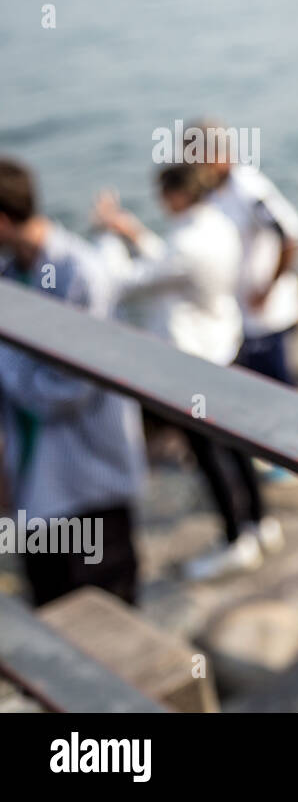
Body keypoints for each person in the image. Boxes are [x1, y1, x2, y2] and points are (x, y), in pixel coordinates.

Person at [93, 163, 283, 581]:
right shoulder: (217, 225)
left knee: (209, 455)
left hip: (191, 365)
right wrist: (133, 232)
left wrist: (108, 235)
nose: (162, 203)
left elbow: (124, 281)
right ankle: (261, 523)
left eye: (164, 194)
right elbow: (170, 263)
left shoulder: (187, 242)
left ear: (178, 195)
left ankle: (236, 540)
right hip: (224, 348)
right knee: (237, 444)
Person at [0, 158, 147, 606]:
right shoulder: (10, 273)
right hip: (35, 481)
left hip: (90, 481)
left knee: (107, 610)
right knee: (51, 603)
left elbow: (71, 391)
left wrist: (6, 364)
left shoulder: (81, 273)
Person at [200, 124, 298, 388]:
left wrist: (268, 289)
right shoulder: (215, 192)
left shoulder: (247, 188)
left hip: (267, 317)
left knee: (279, 389)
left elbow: (292, 235)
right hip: (242, 317)